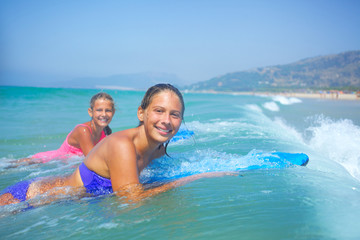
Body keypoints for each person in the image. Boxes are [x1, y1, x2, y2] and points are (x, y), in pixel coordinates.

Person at [0, 84, 234, 206]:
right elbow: (131, 202)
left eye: (175, 115)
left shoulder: (159, 149)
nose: (166, 120)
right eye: (159, 111)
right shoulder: (122, 145)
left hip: (61, 205)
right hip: (30, 198)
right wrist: (194, 178)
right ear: (141, 113)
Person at [17, 92, 115, 164]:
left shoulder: (106, 133)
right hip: (46, 161)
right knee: (10, 166)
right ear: (90, 112)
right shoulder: (83, 130)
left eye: (108, 110)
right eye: (99, 110)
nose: (104, 114)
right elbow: (92, 160)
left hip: (63, 165)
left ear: (113, 112)